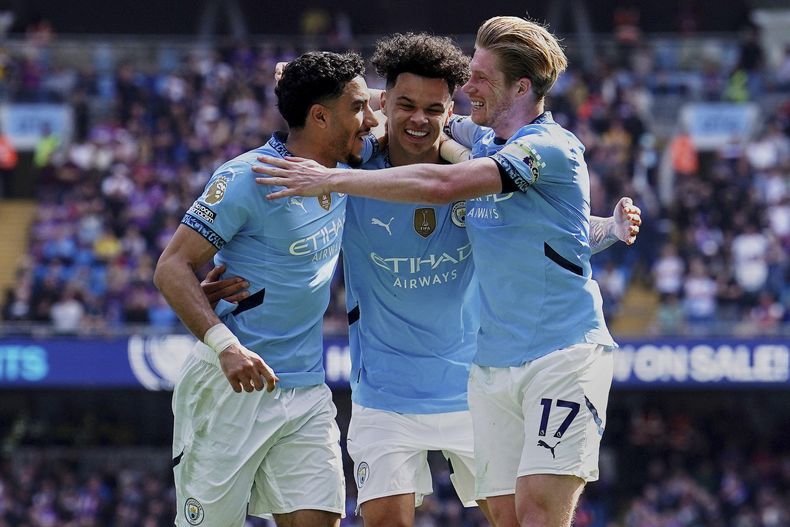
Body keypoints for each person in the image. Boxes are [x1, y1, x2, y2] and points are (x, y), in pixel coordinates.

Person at [253, 17, 638, 527]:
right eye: (468, 77)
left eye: (478, 78)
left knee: (535, 515)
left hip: (537, 360)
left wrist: (332, 180)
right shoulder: (477, 140)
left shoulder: (530, 150)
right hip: (462, 376)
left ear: (520, 88)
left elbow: (449, 186)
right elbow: (539, 224)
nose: (467, 87)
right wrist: (312, 83)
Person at [153, 51, 378, 527]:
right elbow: (171, 267)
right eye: (359, 107)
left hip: (305, 387)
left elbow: (415, 110)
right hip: (231, 386)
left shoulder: (345, 168)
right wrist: (226, 346)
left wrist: (296, 79)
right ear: (319, 117)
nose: (372, 120)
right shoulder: (246, 177)